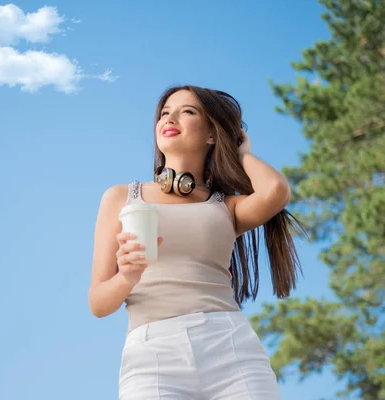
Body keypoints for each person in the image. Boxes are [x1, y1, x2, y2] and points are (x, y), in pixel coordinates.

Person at [88, 85, 304, 400]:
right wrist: (128, 277)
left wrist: (242, 152)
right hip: (153, 357)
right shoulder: (122, 197)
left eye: (187, 111)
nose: (169, 118)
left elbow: (275, 191)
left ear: (211, 135)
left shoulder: (226, 207)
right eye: (164, 113)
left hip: (230, 347)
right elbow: (97, 303)